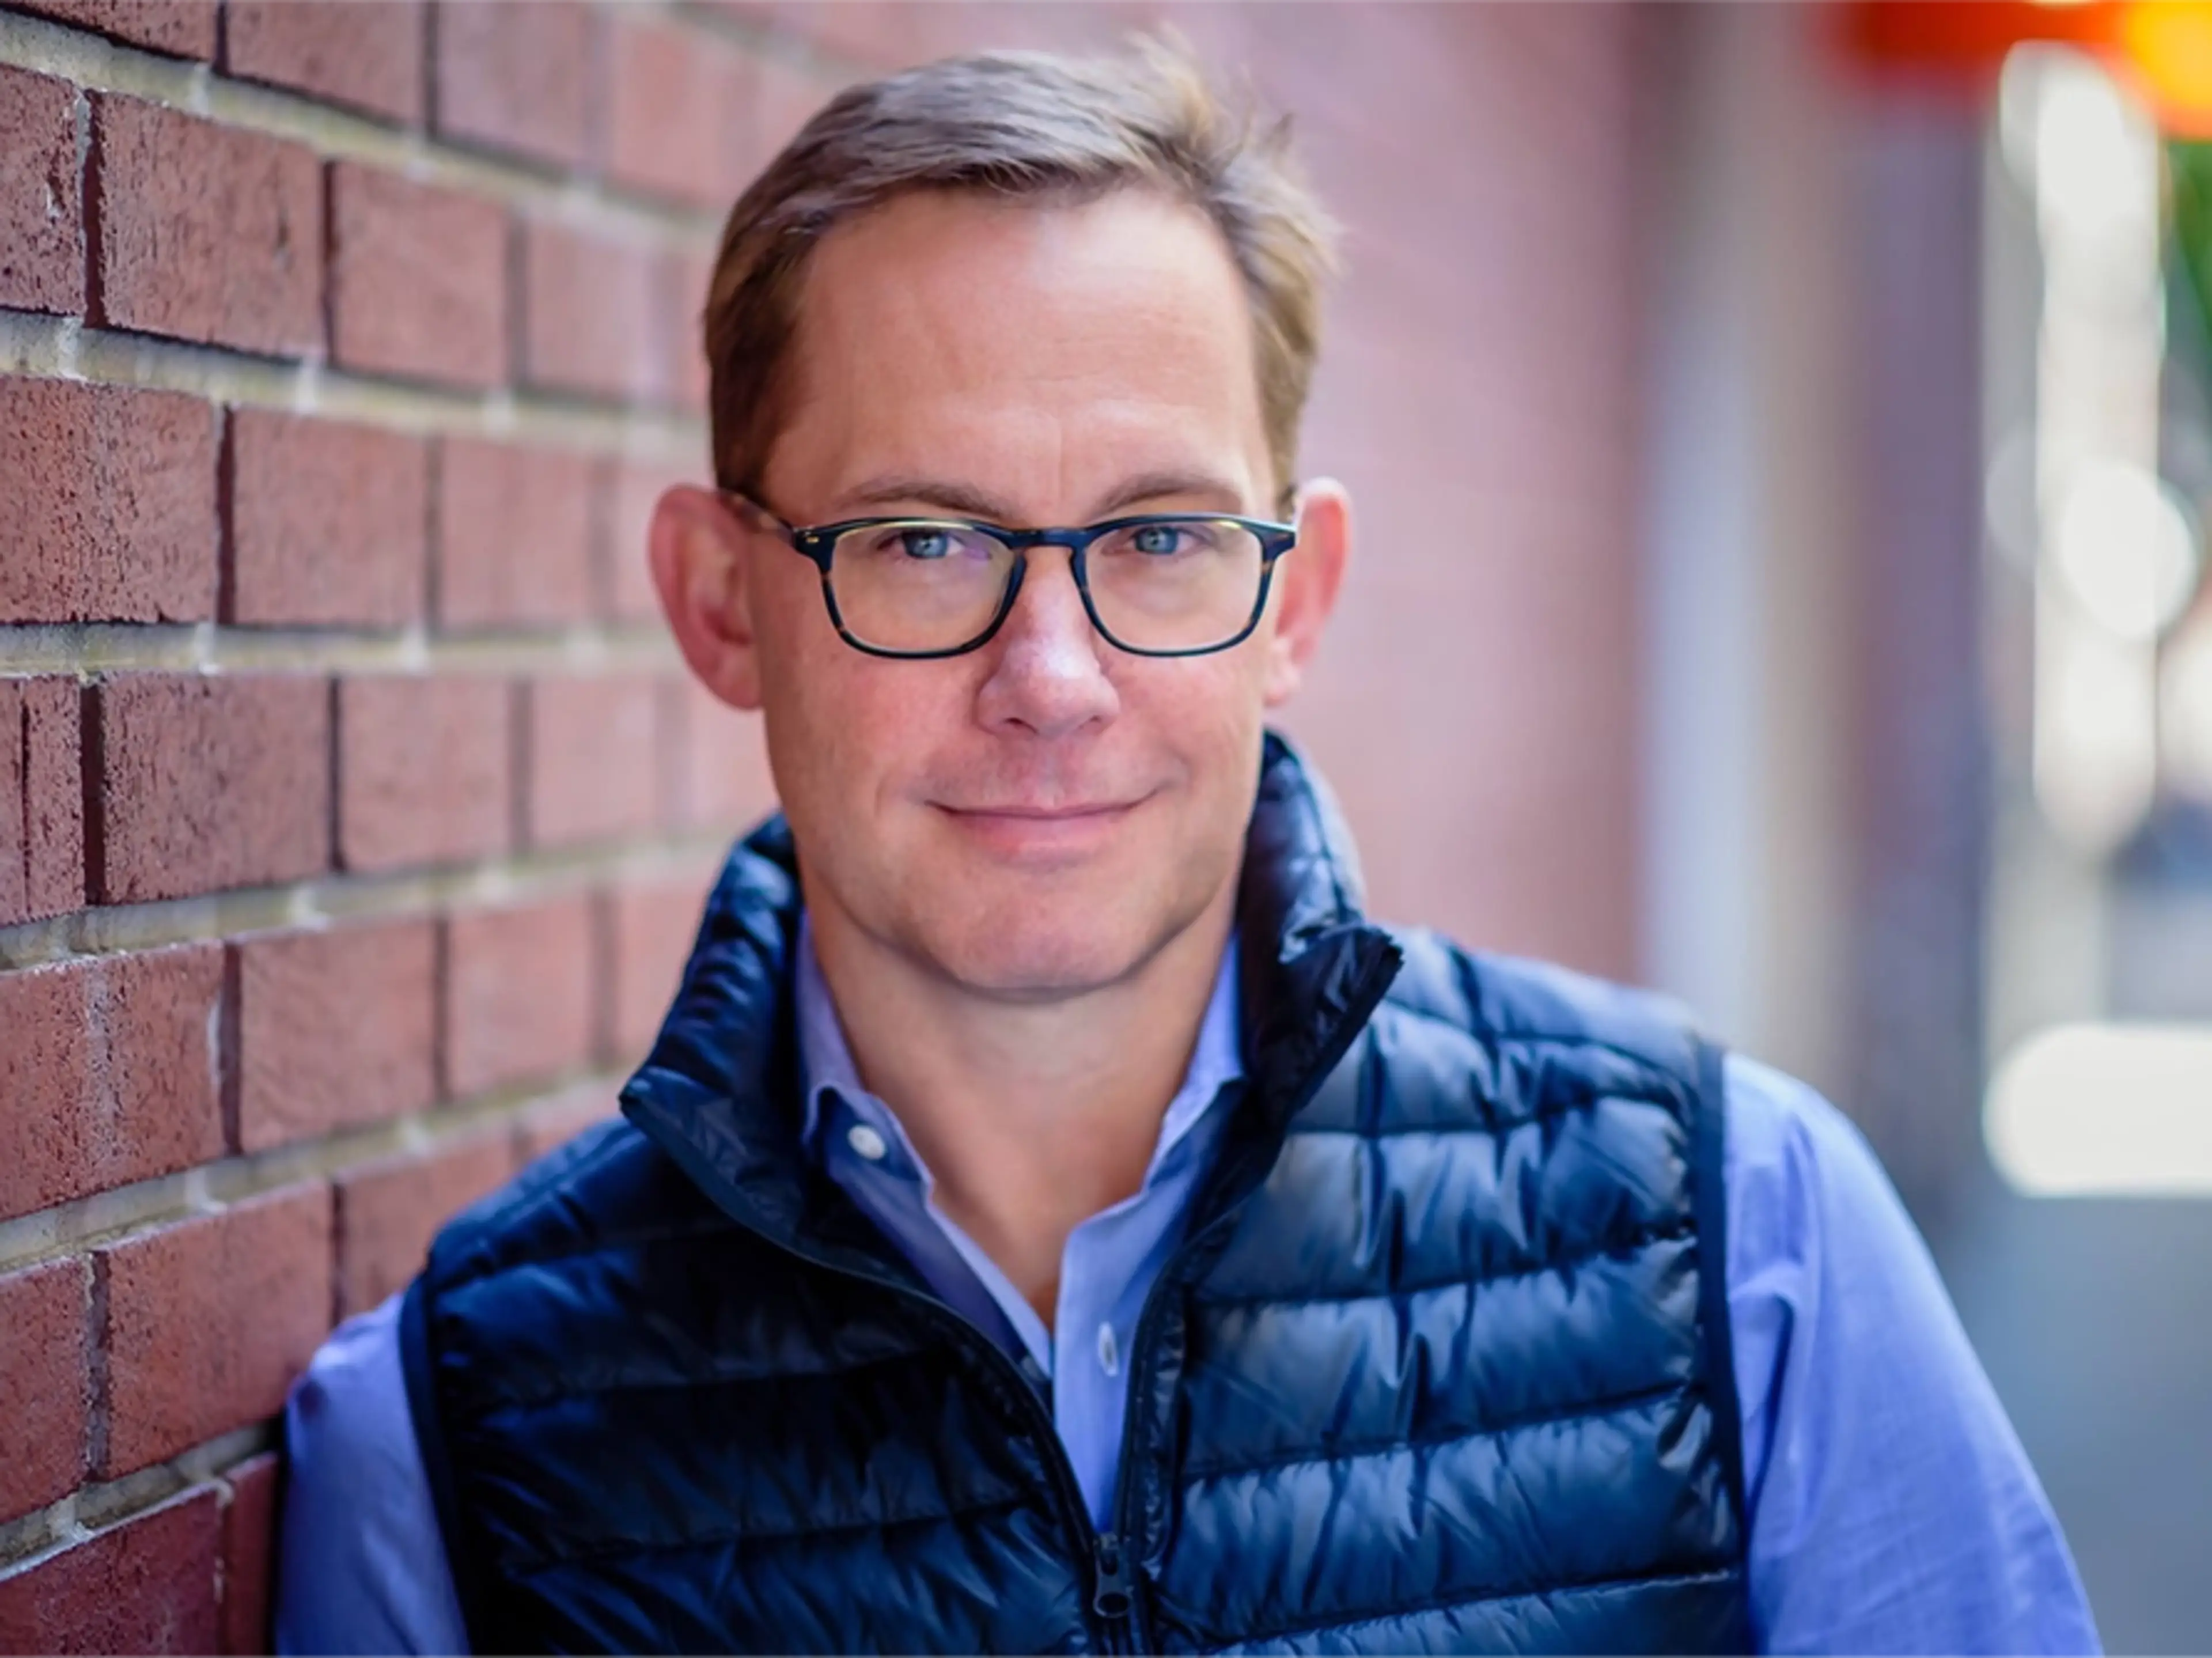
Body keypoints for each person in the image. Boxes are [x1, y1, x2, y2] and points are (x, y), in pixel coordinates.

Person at [276, 37, 2101, 1657]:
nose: (1050, 679)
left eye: (1157, 539)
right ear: (720, 599)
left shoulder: (1741, 1244)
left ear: (1294, 600)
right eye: (923, 541)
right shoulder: (453, 1445)